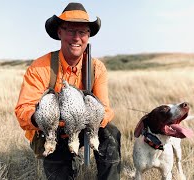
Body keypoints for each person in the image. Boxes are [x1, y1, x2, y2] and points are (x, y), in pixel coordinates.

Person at [14, 2, 121, 180]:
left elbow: (106, 110)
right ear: (59, 32)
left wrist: (89, 117)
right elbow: (22, 110)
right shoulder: (40, 67)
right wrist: (43, 117)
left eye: (83, 32)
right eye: (70, 30)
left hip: (86, 127)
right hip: (53, 131)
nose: (76, 37)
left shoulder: (96, 68)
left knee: (111, 133)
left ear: (88, 35)